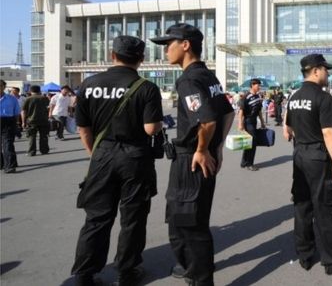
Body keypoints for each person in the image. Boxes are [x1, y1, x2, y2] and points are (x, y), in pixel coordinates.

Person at [71, 35, 163, 286]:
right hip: (135, 158)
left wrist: (96, 154)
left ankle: (84, 274)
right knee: (132, 217)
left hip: (102, 155)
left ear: (112, 55)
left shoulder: (89, 84)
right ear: (141, 60)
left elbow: (83, 128)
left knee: (97, 217)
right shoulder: (146, 87)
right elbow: (151, 129)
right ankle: (127, 271)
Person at [151, 23, 235, 286]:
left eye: (169, 44)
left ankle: (199, 277)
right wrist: (216, 148)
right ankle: (191, 266)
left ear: (185, 45)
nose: (165, 50)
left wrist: (202, 149)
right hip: (201, 153)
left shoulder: (188, 78)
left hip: (192, 158)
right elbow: (227, 112)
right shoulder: (208, 75)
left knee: (190, 223)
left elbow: (208, 120)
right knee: (185, 218)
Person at [283, 54, 332, 275]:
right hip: (317, 156)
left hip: (300, 154)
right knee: (325, 207)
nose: (328, 73)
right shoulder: (322, 97)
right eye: (325, 69)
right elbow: (328, 132)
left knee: (302, 205)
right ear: (315, 70)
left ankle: (305, 255)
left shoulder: (294, 97)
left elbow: (289, 129)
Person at [237, 78, 265, 171]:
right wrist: (240, 124)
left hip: (254, 121)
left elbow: (259, 111)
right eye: (258, 85)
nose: (259, 86)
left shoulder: (258, 97)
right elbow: (241, 112)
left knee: (248, 142)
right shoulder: (245, 97)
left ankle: (244, 162)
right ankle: (250, 163)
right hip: (248, 121)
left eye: (259, 85)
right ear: (252, 85)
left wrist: (262, 122)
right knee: (253, 142)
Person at [21, 85, 50, 156]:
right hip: (44, 120)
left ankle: (31, 152)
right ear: (39, 90)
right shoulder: (45, 98)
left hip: (31, 120)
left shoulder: (28, 99)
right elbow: (48, 108)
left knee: (32, 137)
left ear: (31, 91)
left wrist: (23, 122)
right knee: (43, 136)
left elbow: (23, 111)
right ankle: (44, 150)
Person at [1, 80, 21, 173]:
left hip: (8, 122)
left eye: (0, 85)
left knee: (8, 144)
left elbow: (16, 113)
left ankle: (10, 166)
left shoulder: (12, 99)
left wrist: (16, 124)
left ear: (4, 87)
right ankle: (2, 163)